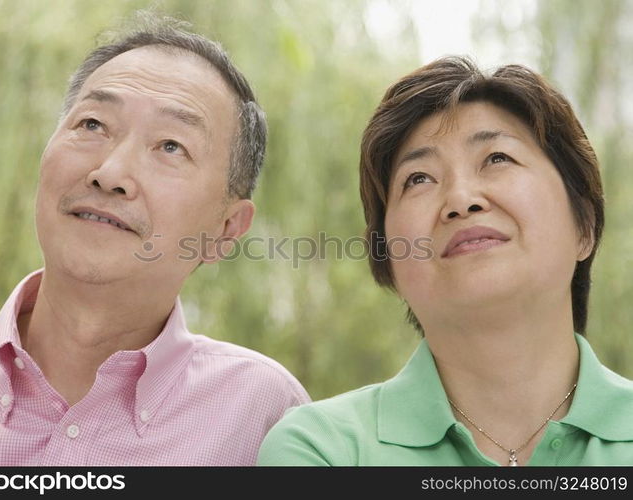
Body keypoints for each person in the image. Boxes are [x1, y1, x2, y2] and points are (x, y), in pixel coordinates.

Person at [0, 13, 309, 466]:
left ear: (226, 230)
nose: (109, 174)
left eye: (171, 146)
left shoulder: (263, 418)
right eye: (92, 124)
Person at [257, 56, 633, 466]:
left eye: (497, 158)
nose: (460, 199)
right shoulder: (323, 449)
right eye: (418, 179)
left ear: (584, 227)